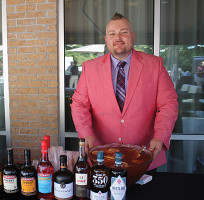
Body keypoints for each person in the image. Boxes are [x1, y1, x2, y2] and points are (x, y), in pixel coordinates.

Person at [71, 13, 178, 171]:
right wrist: (85, 133)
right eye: (112, 34)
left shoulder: (155, 65)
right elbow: (79, 104)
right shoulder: (90, 68)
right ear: (106, 39)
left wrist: (160, 136)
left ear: (133, 36)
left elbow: (168, 104)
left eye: (124, 32)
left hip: (144, 155)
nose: (118, 37)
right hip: (101, 156)